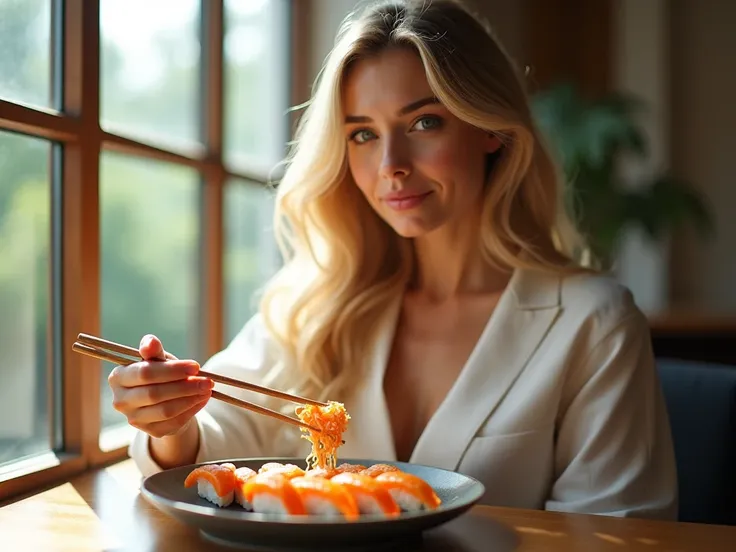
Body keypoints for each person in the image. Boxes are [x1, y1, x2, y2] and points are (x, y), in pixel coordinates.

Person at [112, 0, 678, 519]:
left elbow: (615, 533)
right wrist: (170, 421)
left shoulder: (593, 322)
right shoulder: (319, 300)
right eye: (362, 135)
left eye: (424, 123)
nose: (391, 165)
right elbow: (216, 440)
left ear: (490, 130)